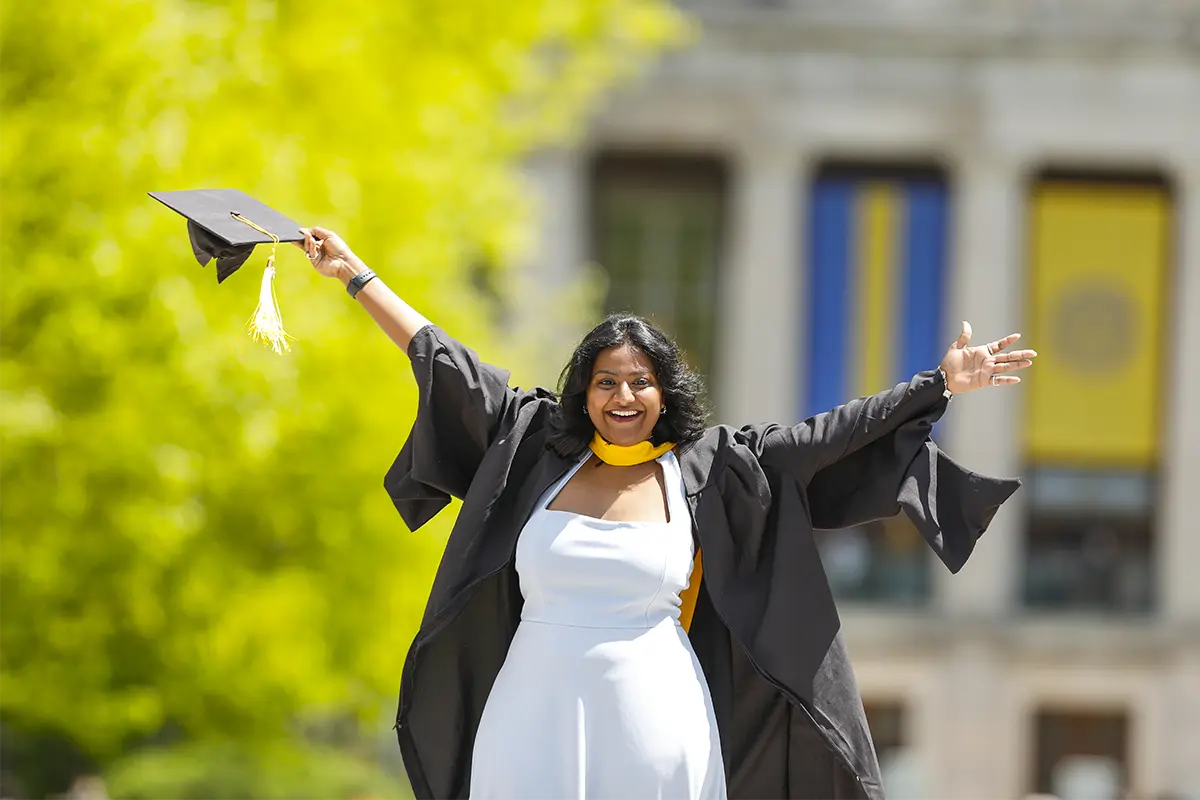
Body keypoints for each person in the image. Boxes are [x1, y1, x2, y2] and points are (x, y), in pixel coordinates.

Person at [298, 227, 1036, 800]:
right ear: (582, 393)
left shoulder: (713, 468)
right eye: (606, 382)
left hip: (654, 707)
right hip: (533, 702)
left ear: (664, 391)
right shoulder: (533, 450)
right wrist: (357, 276)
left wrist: (935, 384)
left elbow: (834, 433)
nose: (623, 397)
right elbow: (440, 357)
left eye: (640, 382)